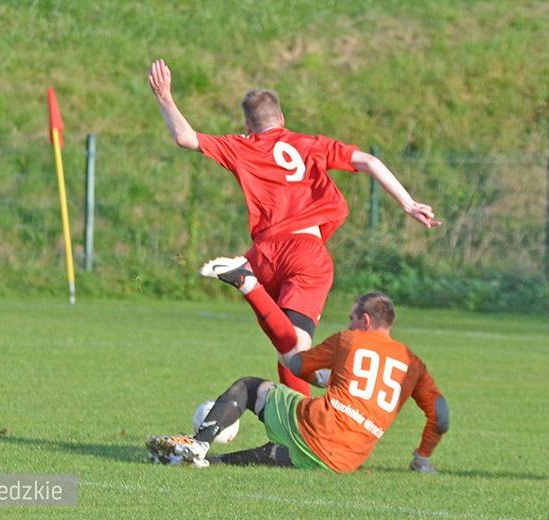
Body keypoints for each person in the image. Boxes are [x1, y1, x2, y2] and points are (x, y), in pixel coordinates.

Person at [148, 59, 442, 397]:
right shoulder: (309, 144)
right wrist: (408, 203)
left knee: (288, 356)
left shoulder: (241, 145)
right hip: (305, 253)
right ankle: (308, 412)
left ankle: (292, 425)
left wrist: (164, 96)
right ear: (282, 119)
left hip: (264, 254)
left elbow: (185, 137)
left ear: (247, 124)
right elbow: (370, 162)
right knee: (296, 356)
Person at [146, 292, 449, 473]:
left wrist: (321, 377)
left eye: (352, 318)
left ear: (366, 322)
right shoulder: (414, 365)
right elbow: (441, 414)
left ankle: (199, 444)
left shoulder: (349, 339)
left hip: (318, 427)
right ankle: (211, 461)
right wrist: (421, 458)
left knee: (250, 387)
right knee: (275, 452)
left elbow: (297, 363)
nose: (349, 324)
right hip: (346, 460)